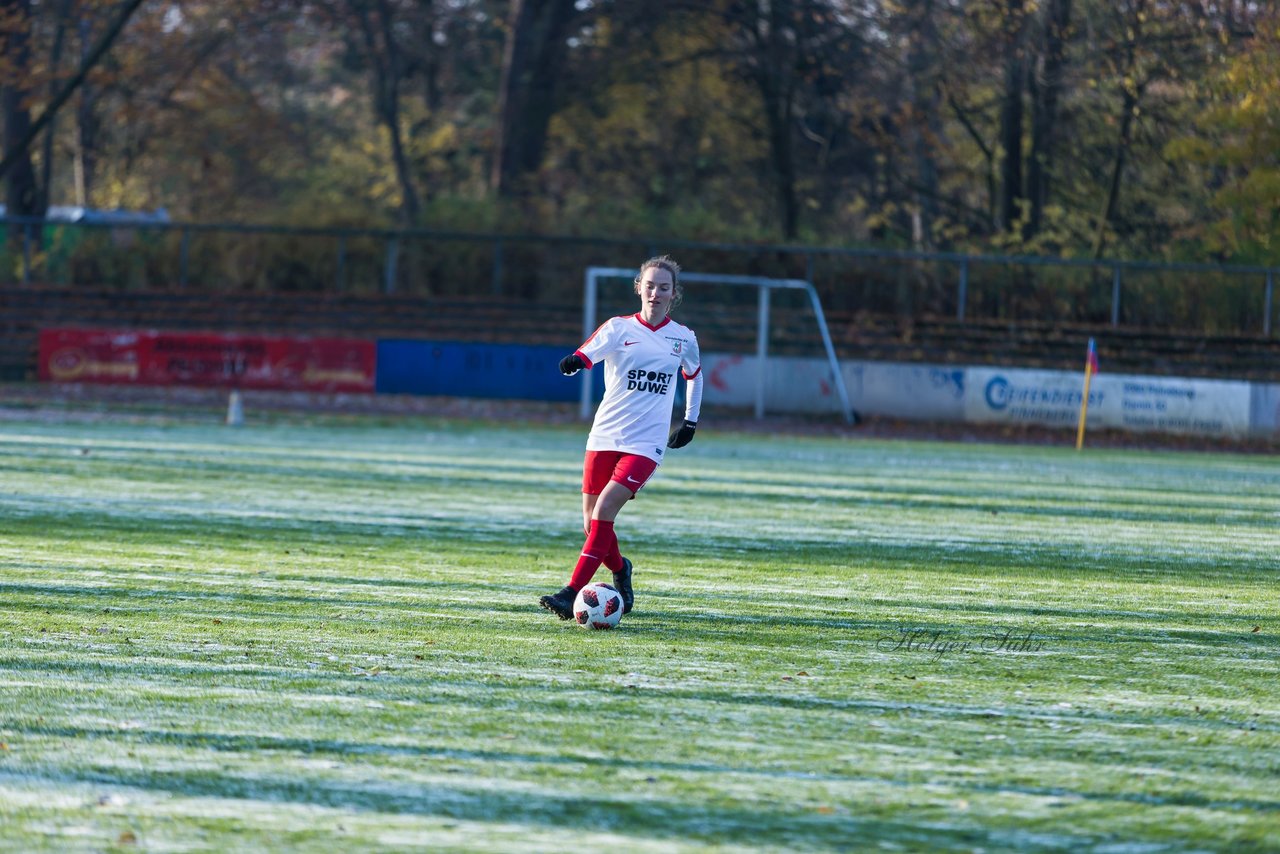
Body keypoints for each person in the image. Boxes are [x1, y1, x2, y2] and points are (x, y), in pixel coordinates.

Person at [539, 255, 703, 619]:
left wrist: (689, 422)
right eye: (650, 285)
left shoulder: (683, 338)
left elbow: (694, 376)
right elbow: (587, 353)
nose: (655, 293)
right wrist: (575, 362)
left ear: (674, 294)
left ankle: (571, 591)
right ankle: (620, 568)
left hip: (646, 444)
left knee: (606, 509)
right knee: (590, 522)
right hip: (605, 434)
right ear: (639, 288)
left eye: (664, 287)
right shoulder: (618, 328)